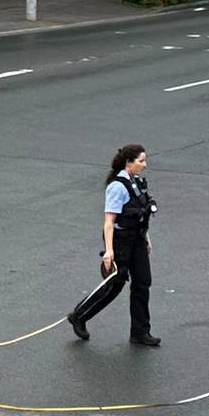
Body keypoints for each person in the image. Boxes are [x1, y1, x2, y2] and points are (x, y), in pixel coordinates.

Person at [68, 143, 159, 346]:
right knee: (115, 285)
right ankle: (79, 315)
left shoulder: (137, 183)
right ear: (129, 162)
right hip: (120, 240)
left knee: (143, 283)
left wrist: (146, 238)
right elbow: (109, 223)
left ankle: (140, 332)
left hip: (137, 239)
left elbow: (141, 214)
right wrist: (108, 251)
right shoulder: (117, 187)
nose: (145, 164)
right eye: (141, 161)